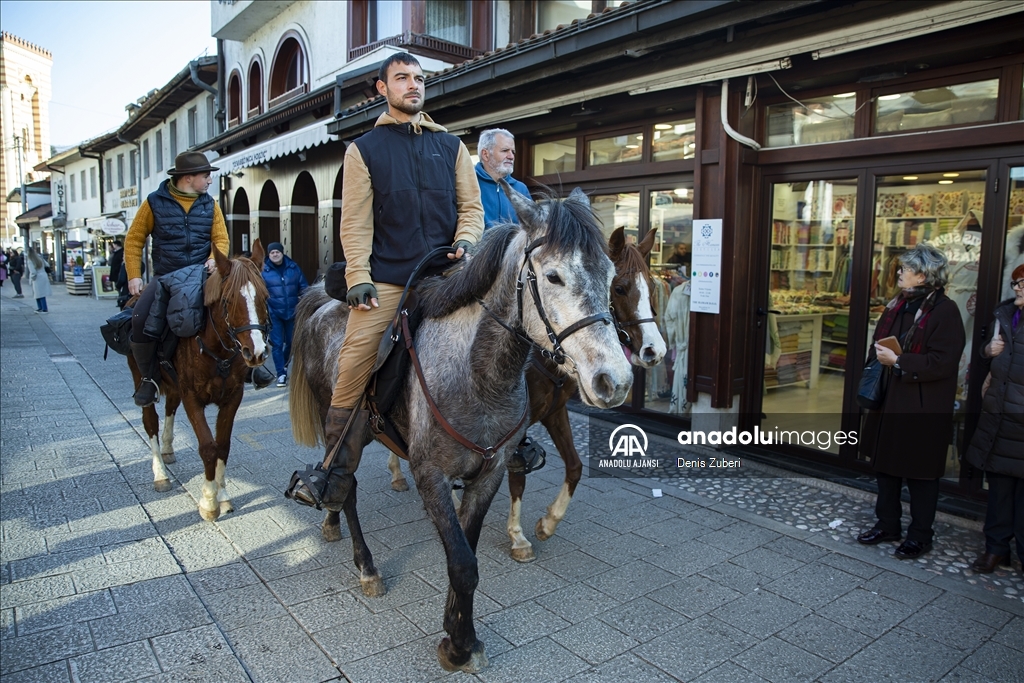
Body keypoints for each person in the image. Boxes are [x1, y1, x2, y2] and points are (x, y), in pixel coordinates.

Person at [287, 51, 484, 510]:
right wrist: (359, 276)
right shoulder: (363, 149)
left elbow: (471, 209)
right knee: (356, 356)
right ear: (383, 88)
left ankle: (510, 438)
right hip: (390, 278)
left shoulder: (452, 146)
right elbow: (355, 222)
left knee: (502, 327)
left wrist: (467, 239)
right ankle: (334, 470)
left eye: (419, 78)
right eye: (402, 78)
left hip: (447, 273)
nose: (413, 85)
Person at [857, 244, 965, 560]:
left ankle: (920, 536)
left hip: (922, 404)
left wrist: (900, 361)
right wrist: (880, 356)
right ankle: (887, 524)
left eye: (906, 269)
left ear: (923, 275)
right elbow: (879, 343)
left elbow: (944, 361)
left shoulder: (945, 311)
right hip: (890, 398)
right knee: (886, 468)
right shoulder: (897, 305)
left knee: (921, 474)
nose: (900, 273)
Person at [124, 151, 230, 407]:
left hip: (201, 275)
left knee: (235, 307)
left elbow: (221, 239)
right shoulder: (154, 202)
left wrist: (214, 258)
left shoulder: (211, 204)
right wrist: (134, 276)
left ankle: (247, 367)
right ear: (188, 178)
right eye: (206, 176)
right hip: (165, 277)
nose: (210, 180)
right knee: (139, 318)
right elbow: (134, 239)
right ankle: (148, 379)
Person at [965, 264, 1024, 574]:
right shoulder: (1005, 315)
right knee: (999, 487)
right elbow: (983, 355)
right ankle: (996, 549)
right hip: (1000, 415)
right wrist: (987, 351)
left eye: (1023, 283)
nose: (1017, 288)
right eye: (1015, 283)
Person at [261, 241, 308, 387]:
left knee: (291, 343)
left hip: (292, 312)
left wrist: (305, 302)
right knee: (277, 344)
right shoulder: (264, 271)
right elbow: (260, 292)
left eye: (277, 252)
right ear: (269, 255)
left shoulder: (293, 268)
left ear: (282, 253)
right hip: (274, 313)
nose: (275, 254)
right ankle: (281, 373)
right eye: (272, 252)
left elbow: (304, 287)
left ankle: (285, 364)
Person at [475, 128, 530, 228]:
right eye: (505, 151)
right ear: (485, 154)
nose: (511, 156)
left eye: (513, 152)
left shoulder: (521, 189)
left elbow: (531, 226)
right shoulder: (468, 183)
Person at [26, 246, 51, 313]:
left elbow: (33, 272)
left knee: (37, 293)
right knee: (42, 293)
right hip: (43, 275)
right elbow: (47, 264)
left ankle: (42, 308)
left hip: (37, 277)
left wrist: (32, 278)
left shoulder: (30, 260)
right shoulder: (39, 257)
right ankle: (42, 308)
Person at [108, 240, 126, 305]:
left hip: (119, 272)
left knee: (120, 287)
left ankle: (121, 300)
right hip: (116, 273)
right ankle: (120, 299)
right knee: (118, 287)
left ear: (116, 245)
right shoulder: (116, 252)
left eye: (113, 245)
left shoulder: (121, 252)